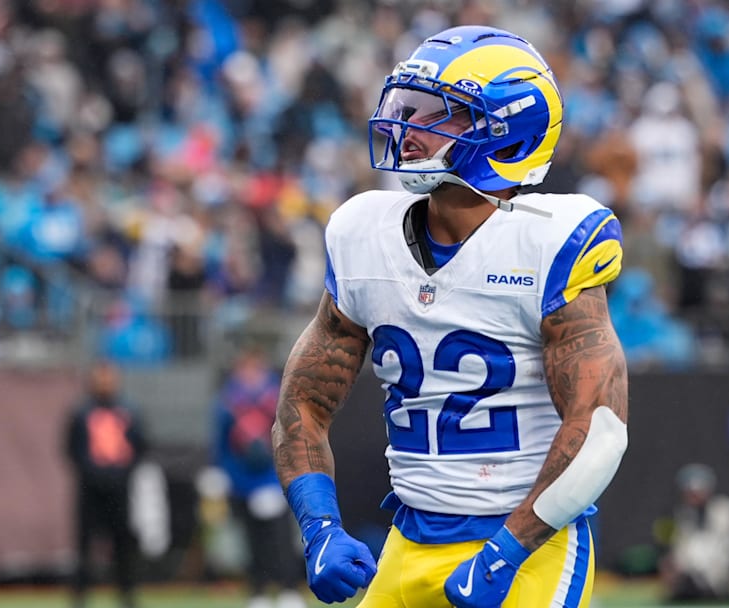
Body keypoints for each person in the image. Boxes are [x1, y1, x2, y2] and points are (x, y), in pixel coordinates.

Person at [271, 25, 629, 608]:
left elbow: (600, 430)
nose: (408, 130)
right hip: (408, 537)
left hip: (529, 544)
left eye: (440, 113)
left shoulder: (550, 244)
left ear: (507, 132)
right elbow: (302, 404)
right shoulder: (365, 235)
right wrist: (320, 528)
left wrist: (506, 552)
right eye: (407, 107)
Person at [213, 347, 306, 608]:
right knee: (252, 541)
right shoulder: (228, 401)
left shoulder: (276, 398)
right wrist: (224, 475)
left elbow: (290, 437)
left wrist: (283, 476)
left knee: (280, 540)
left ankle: (289, 589)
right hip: (242, 482)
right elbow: (222, 444)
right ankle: (259, 591)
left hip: (272, 480)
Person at [65, 360, 146, 608]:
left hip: (119, 489)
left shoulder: (128, 410)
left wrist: (121, 474)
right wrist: (91, 473)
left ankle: (127, 594)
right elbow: (71, 449)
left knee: (123, 545)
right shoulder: (81, 412)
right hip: (90, 489)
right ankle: (80, 596)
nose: (105, 382)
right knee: (84, 547)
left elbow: (140, 446)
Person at [658, 464, 729, 603]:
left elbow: (727, 547)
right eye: (690, 492)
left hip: (715, 572)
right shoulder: (676, 515)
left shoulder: (724, 510)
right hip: (687, 575)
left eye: (697, 492)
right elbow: (669, 550)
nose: (694, 496)